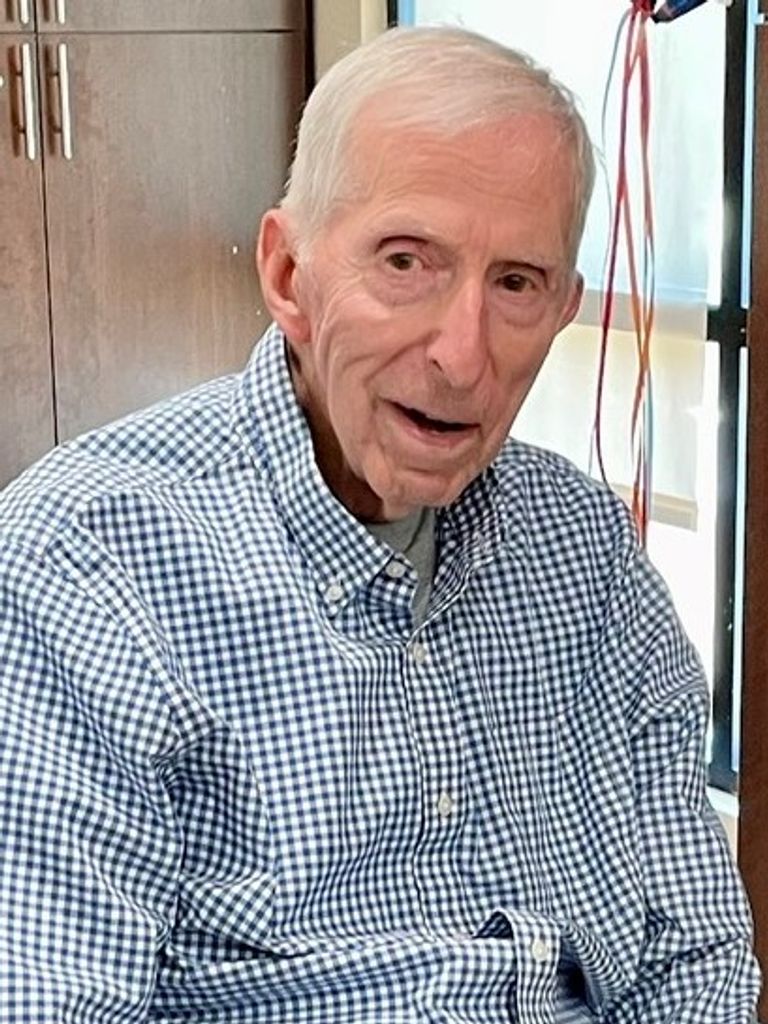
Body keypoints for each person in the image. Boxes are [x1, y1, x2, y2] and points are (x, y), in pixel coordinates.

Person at [0, 25, 759, 1024]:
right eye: (407, 262)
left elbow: (695, 954)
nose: (462, 356)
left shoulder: (586, 549)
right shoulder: (81, 566)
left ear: (563, 307)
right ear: (288, 275)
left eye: (517, 283)